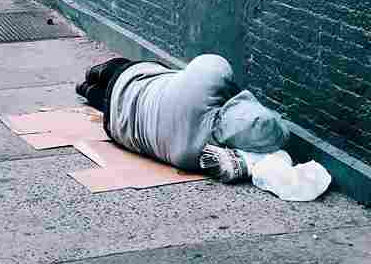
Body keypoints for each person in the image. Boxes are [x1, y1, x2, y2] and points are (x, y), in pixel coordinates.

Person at [76, 54, 289, 180]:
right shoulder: (195, 157)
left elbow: (212, 61)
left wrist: (229, 93)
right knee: (107, 101)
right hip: (117, 127)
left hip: (132, 79)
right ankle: (85, 90)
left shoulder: (209, 79)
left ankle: (92, 74)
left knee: (116, 73)